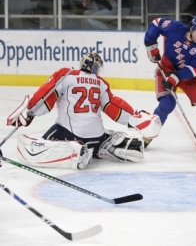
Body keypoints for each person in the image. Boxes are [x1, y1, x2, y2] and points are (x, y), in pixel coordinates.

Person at [7, 53, 162, 169]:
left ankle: (76, 152)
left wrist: (30, 112)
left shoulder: (66, 75)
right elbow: (114, 107)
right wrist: (137, 119)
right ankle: (105, 145)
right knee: (99, 131)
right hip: (96, 137)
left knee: (42, 143)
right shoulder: (101, 83)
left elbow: (46, 95)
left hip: (70, 135)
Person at [143, 14, 196, 148]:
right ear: (191, 28)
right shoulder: (175, 28)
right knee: (167, 104)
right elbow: (156, 23)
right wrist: (150, 44)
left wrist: (175, 78)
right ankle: (147, 135)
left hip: (189, 78)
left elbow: (194, 69)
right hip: (166, 69)